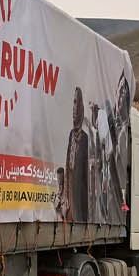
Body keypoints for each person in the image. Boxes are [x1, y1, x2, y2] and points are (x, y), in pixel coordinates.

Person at [63, 88, 90, 224]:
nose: (74, 108)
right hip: (69, 192)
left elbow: (86, 175)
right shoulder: (71, 135)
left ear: (81, 106)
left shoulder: (85, 139)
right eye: (73, 103)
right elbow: (68, 166)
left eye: (76, 103)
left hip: (79, 195)